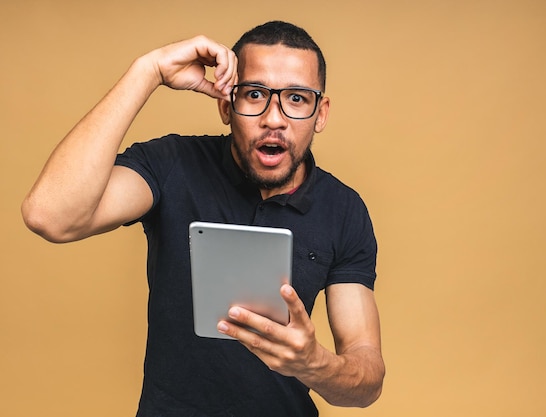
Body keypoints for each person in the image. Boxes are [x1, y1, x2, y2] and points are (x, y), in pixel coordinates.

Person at [22, 21, 384, 416]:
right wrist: (149, 70)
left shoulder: (345, 210)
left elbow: (365, 382)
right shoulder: (171, 165)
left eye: (296, 99)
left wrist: (314, 363)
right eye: (256, 94)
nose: (274, 118)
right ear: (226, 106)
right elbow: (50, 216)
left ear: (321, 113)